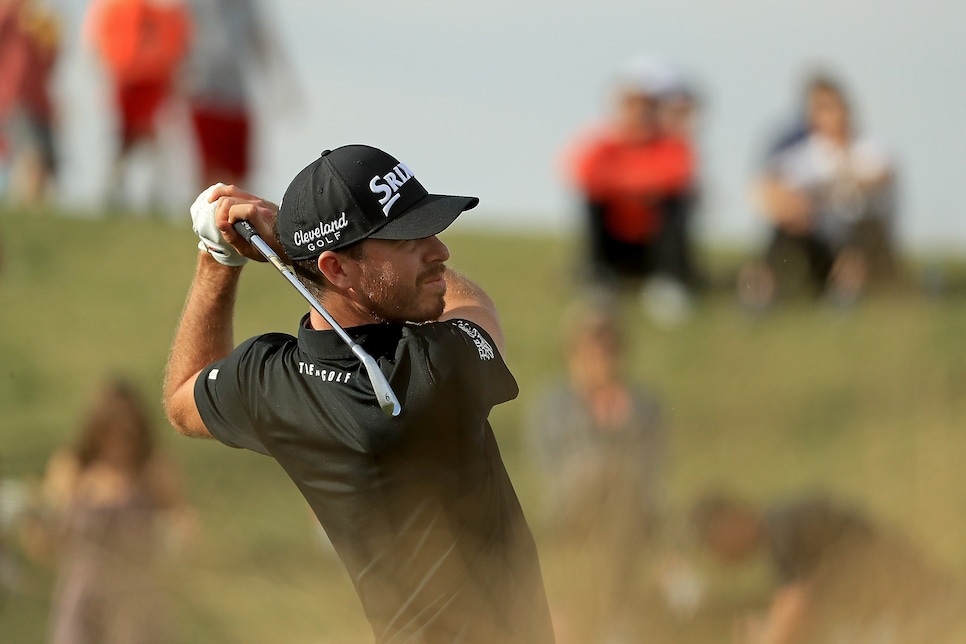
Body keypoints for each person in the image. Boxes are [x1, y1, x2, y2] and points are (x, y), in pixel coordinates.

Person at [162, 145, 556, 643]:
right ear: (338, 270)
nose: (439, 250)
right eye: (408, 237)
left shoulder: (270, 380)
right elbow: (476, 307)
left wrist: (217, 260)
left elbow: (181, 396)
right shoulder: (432, 370)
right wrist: (289, 243)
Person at [526, 298, 667, 641]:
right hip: (572, 514)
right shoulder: (553, 406)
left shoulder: (644, 406)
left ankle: (612, 612)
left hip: (632, 517)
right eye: (593, 345)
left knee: (622, 501)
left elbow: (653, 473)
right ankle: (608, 613)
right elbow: (554, 472)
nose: (602, 355)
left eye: (610, 345)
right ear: (574, 351)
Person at [34, 377, 190, 644]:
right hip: (84, 596)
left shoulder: (151, 469)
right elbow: (46, 539)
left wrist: (179, 539)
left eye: (128, 431)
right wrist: (39, 525)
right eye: (111, 429)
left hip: (136, 597)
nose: (119, 437)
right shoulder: (72, 468)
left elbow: (180, 518)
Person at [690, 492, 961, 644]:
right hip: (913, 610)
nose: (721, 558)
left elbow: (795, 609)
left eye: (715, 544)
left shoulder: (781, 531)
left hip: (922, 610)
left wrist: (765, 638)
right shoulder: (783, 526)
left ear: (732, 522)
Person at [739, 72, 899, 309]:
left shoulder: (867, 146)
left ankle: (845, 293)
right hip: (819, 238)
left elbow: (882, 176)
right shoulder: (808, 153)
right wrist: (795, 207)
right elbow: (767, 188)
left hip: (861, 235)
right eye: (819, 109)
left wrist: (832, 185)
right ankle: (760, 291)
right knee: (787, 224)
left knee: (859, 232)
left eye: (831, 107)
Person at [563, 56, 697, 324]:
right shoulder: (603, 143)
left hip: (654, 242)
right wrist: (639, 186)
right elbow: (582, 174)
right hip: (616, 239)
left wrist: (623, 184)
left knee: (675, 204)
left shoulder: (671, 142)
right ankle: (598, 276)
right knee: (593, 202)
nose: (639, 113)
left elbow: (678, 178)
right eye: (632, 105)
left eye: (646, 106)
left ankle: (669, 281)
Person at [83, 0, 191, 211]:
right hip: (129, 79)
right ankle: (122, 192)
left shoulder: (163, 10)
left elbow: (178, 42)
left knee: (146, 139)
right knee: (131, 139)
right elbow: (97, 41)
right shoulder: (116, 6)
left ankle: (150, 193)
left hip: (152, 80)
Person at [183, 0, 293, 189]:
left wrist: (283, 86)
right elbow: (178, 34)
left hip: (237, 97)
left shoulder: (247, 6)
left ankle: (239, 215)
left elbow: (262, 42)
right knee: (208, 167)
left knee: (238, 171)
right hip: (204, 93)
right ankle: (204, 215)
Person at [0, 0, 61, 205]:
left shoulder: (40, 15)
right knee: (33, 156)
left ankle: (32, 209)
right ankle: (25, 206)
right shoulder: (7, 10)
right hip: (15, 98)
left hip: (41, 102)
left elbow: (51, 60)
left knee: (49, 164)